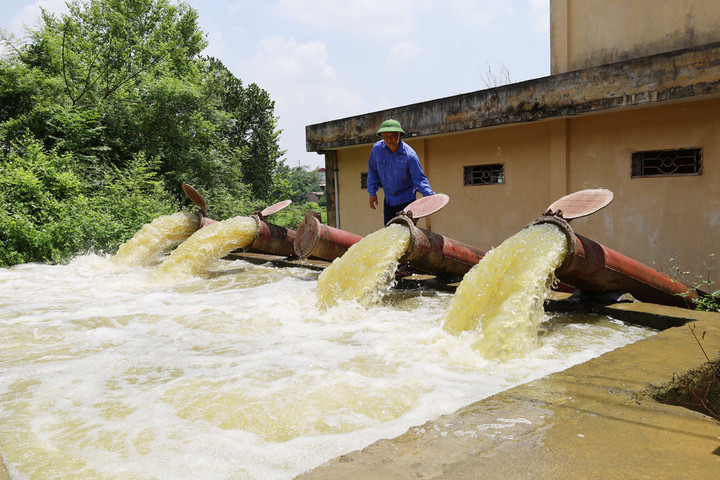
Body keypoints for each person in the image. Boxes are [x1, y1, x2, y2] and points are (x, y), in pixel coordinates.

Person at [367, 119, 435, 225]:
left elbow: (419, 178)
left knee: (406, 234)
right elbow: (372, 170)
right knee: (390, 233)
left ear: (400, 134)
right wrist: (372, 192)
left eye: (392, 136)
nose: (389, 139)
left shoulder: (409, 155)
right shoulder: (377, 150)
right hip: (389, 201)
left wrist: (430, 196)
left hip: (407, 202)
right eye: (385, 136)